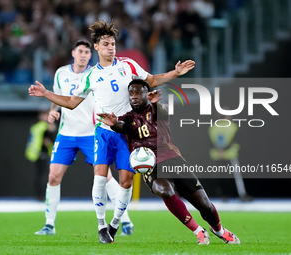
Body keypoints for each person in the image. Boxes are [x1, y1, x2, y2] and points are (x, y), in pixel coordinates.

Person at [28, 19, 195, 244]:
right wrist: (46, 93)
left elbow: (152, 80)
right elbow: (70, 102)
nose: (111, 47)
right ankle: (100, 225)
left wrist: (175, 73)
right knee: (100, 177)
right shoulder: (90, 77)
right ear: (96, 46)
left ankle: (115, 224)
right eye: (106, 44)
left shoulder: (128, 65)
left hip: (128, 132)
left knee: (125, 181)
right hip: (104, 132)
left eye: (113, 43)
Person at [97, 79, 241, 245]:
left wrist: (156, 103)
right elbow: (121, 126)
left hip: (173, 160)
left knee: (205, 205)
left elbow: (164, 112)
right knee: (163, 190)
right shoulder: (128, 118)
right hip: (151, 166)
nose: (134, 97)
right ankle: (198, 231)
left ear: (147, 94)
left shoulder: (157, 109)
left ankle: (219, 231)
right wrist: (114, 124)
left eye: (138, 93)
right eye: (131, 93)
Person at [34, 39, 134, 236]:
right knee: (53, 177)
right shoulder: (61, 73)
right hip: (66, 134)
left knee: (106, 178)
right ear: (73, 53)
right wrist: (53, 111)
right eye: (80, 51)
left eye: (87, 52)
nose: (83, 55)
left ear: (91, 55)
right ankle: (49, 225)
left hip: (90, 133)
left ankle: (126, 221)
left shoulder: (95, 74)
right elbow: (58, 94)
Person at [209, 112, 252, 201]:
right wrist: (225, 150)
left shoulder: (213, 128)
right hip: (230, 154)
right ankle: (242, 194)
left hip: (217, 155)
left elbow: (209, 142)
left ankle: (223, 195)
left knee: (221, 176)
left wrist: (219, 151)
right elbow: (236, 140)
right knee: (236, 177)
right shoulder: (232, 127)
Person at [25, 109, 57, 201]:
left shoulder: (37, 126)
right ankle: (41, 196)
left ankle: (41, 196)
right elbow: (47, 139)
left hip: (39, 153)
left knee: (41, 175)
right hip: (41, 154)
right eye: (45, 115)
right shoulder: (43, 126)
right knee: (42, 176)